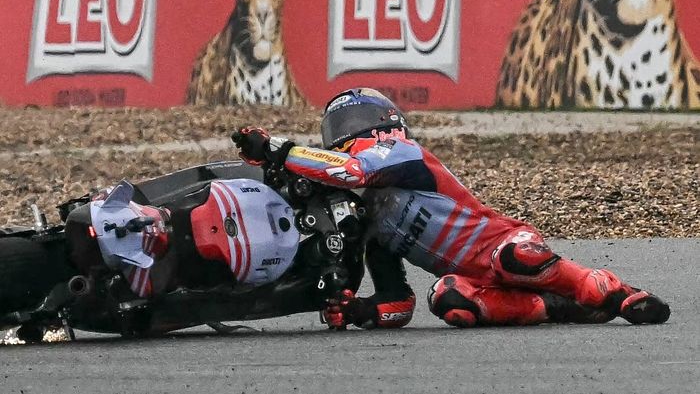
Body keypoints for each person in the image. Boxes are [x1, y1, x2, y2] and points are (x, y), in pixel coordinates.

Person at [231, 88, 670, 329]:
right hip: (476, 279)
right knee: (450, 300)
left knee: (516, 258)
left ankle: (616, 293)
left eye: (356, 120)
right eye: (338, 127)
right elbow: (398, 304)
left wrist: (278, 149)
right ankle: (556, 307)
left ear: (387, 123)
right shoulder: (372, 222)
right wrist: (359, 310)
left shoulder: (403, 153)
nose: (347, 132)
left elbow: (351, 170)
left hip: (505, 241)